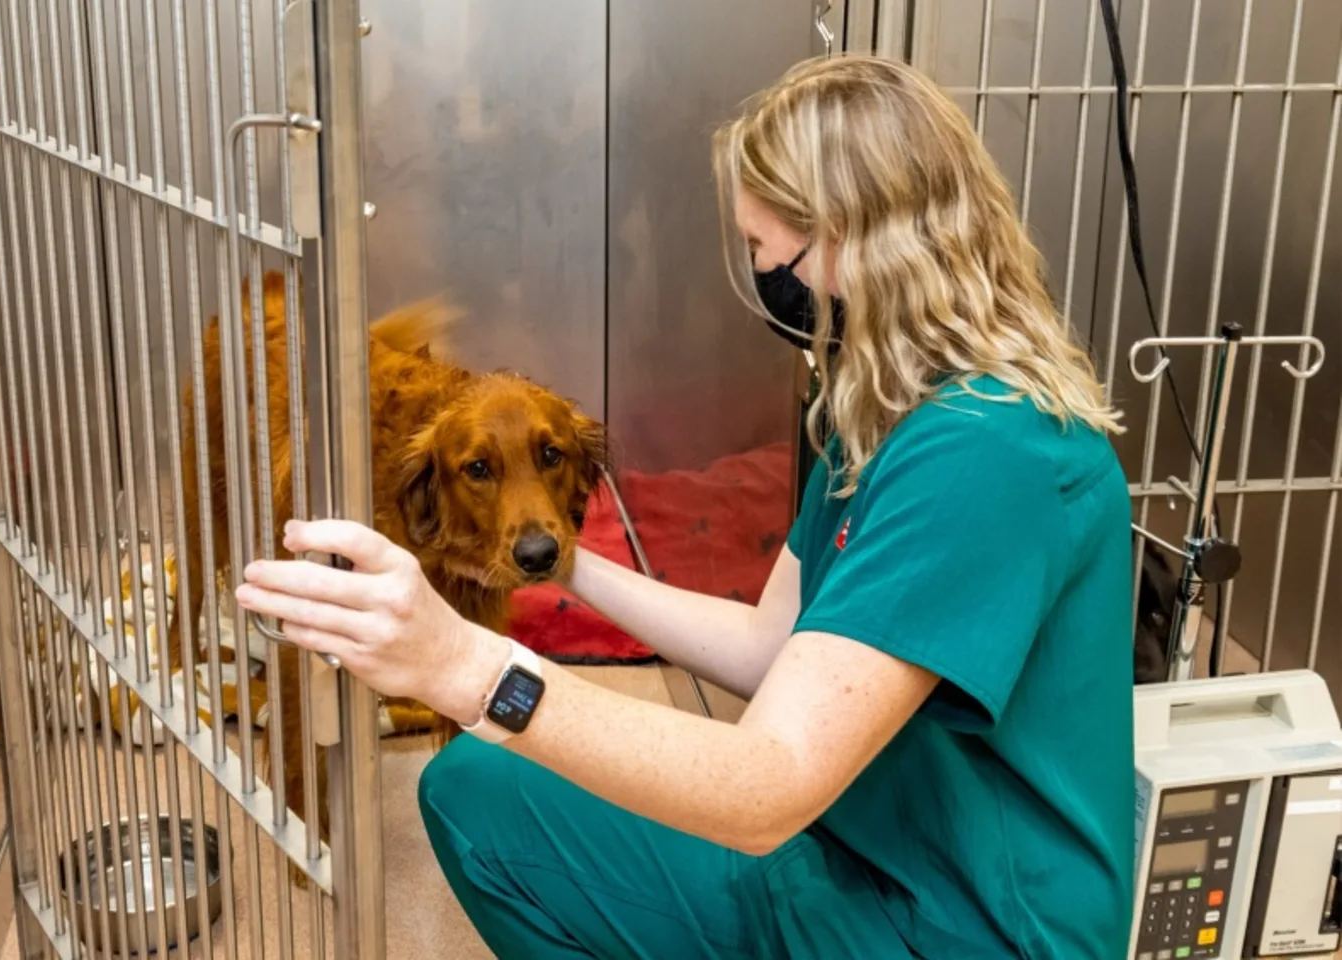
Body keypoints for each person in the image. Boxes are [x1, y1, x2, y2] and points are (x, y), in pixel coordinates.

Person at [236, 54, 1135, 959]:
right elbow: (767, 643)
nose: (757, 279)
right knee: (476, 790)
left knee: (504, 754)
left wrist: (463, 664)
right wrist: (561, 562)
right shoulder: (887, 412)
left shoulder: (988, 452)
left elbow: (768, 785)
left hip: (958, 924)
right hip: (850, 850)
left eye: (764, 249)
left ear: (862, 235)